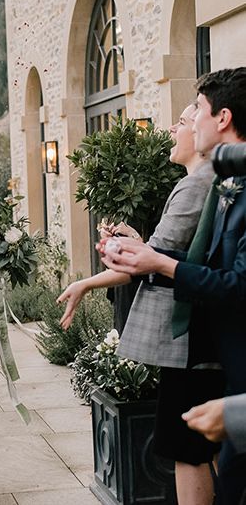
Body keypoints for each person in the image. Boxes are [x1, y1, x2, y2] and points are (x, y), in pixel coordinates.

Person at [57, 103, 223, 504]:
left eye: (183, 121)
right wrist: (139, 242)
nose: (173, 128)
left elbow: (151, 263)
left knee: (188, 449)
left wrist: (87, 281)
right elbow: (168, 254)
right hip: (201, 338)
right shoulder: (203, 182)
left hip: (189, 340)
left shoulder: (196, 185)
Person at [102, 67, 246, 504]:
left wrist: (159, 262)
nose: (185, 123)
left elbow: (238, 283)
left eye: (195, 111)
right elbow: (210, 263)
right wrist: (149, 257)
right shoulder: (226, 183)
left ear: (222, 118)